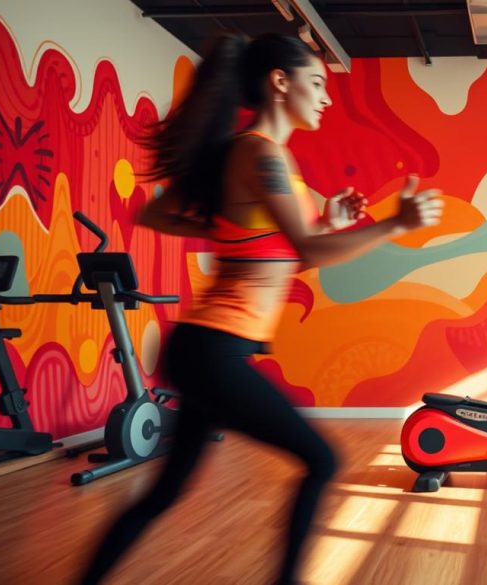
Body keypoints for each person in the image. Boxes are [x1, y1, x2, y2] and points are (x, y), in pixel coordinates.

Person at [79, 33, 442, 585]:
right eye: (316, 83)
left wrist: (323, 225)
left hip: (208, 348)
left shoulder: (258, 158)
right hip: (212, 350)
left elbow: (280, 255)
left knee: (163, 494)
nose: (325, 97)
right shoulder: (259, 154)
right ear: (280, 81)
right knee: (322, 460)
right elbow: (304, 252)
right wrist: (394, 224)